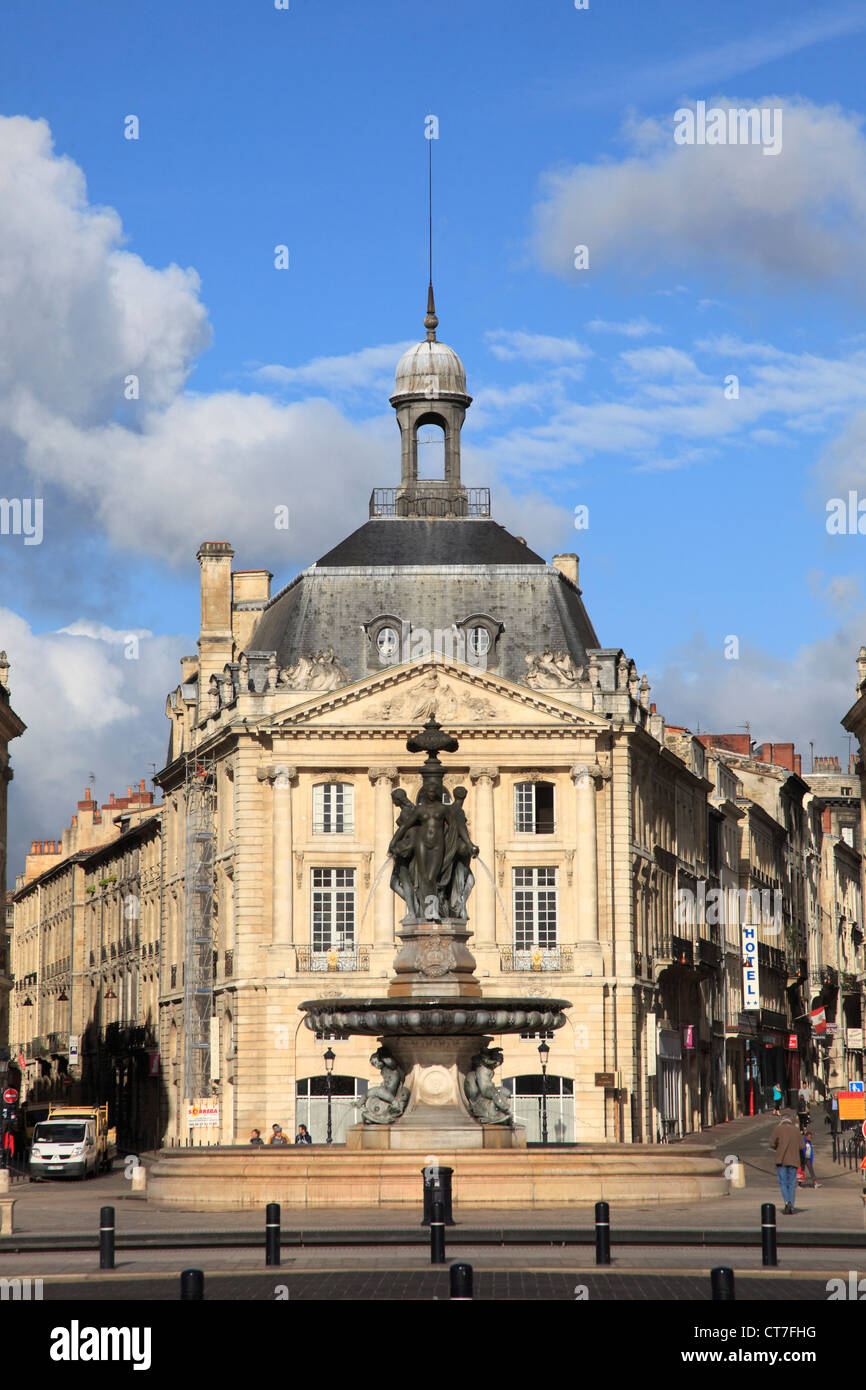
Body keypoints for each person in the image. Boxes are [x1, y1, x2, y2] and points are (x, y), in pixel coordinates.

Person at [771, 1108, 804, 1214]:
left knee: (783, 1183)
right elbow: (801, 1146)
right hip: (794, 1160)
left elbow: (771, 1144)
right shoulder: (796, 1130)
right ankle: (792, 1204)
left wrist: (778, 1147)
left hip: (781, 1160)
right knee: (792, 1183)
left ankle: (786, 1202)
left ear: (782, 1120)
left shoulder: (777, 1129)